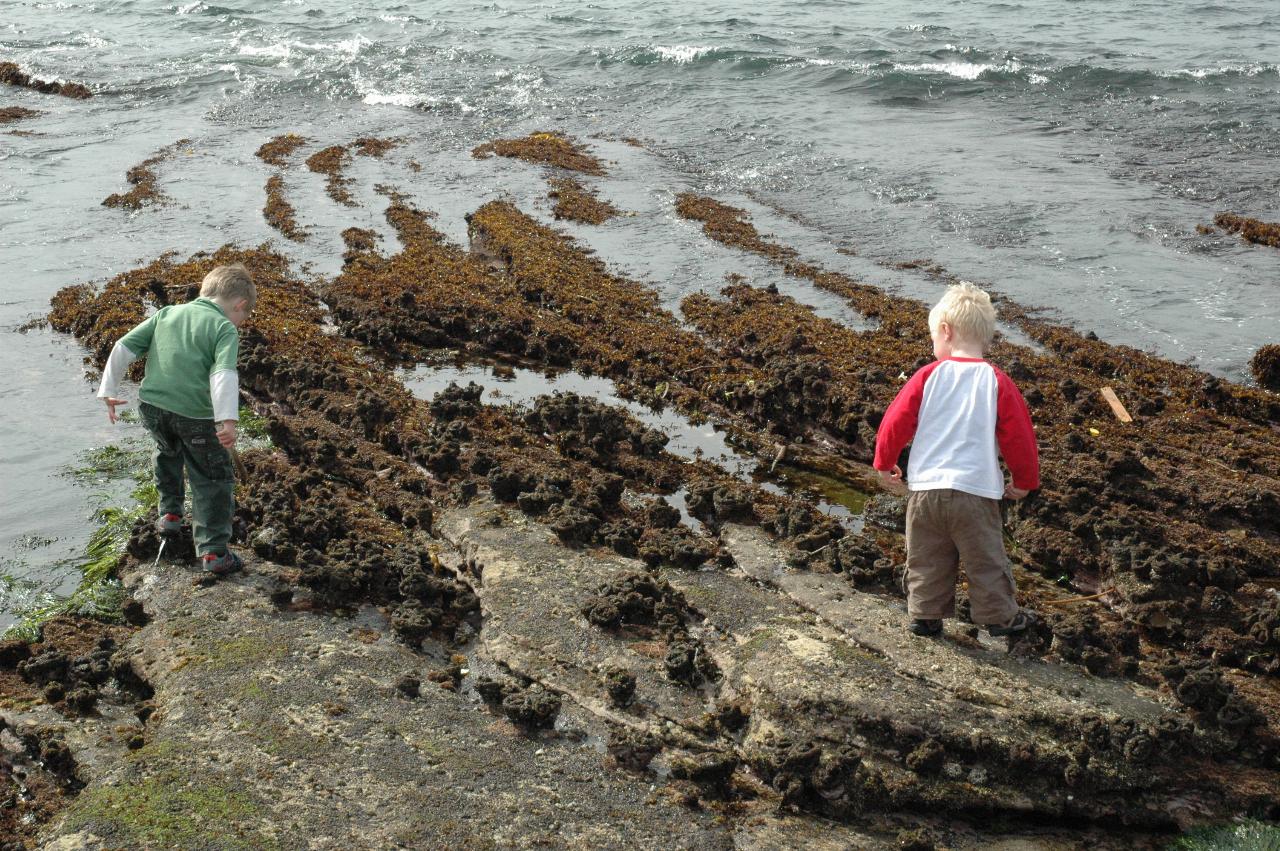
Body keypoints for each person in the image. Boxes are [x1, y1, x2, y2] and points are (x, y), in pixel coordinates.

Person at [872, 282, 1039, 637]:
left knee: (926, 558)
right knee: (986, 562)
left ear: (946, 332)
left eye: (934, 337)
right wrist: (1024, 482)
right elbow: (1019, 437)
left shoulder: (928, 376)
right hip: (975, 494)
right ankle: (999, 618)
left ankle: (924, 615)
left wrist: (885, 463)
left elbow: (895, 421)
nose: (934, 346)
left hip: (926, 492)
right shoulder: (996, 381)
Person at [98, 264, 256, 575]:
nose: (241, 322)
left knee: (168, 454)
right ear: (239, 305)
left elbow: (123, 346)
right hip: (195, 415)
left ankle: (169, 515)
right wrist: (227, 421)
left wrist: (109, 390)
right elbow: (223, 374)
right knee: (210, 477)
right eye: (244, 316)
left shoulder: (167, 313)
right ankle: (213, 553)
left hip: (153, 407)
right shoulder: (224, 328)